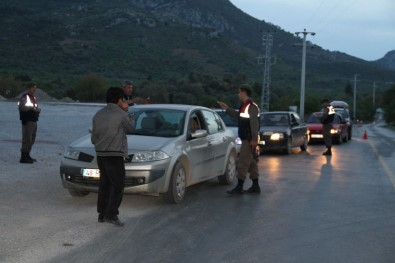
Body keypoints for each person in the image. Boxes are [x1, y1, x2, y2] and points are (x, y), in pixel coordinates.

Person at [91, 87, 135, 226]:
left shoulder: (98, 114)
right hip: (114, 154)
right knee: (118, 184)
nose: (124, 102)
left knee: (105, 183)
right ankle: (111, 214)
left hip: (101, 154)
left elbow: (93, 139)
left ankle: (102, 214)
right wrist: (128, 112)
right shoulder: (121, 114)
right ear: (119, 100)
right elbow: (131, 127)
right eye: (123, 99)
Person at [218, 84, 260, 194]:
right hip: (247, 138)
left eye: (239, 92)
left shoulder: (251, 106)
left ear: (244, 92)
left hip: (249, 139)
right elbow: (238, 115)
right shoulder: (245, 106)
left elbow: (254, 124)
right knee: (251, 163)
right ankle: (256, 187)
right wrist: (226, 109)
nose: (238, 94)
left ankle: (239, 187)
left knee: (242, 163)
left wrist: (254, 139)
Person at [18, 82, 41, 164]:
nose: (34, 89)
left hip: (34, 120)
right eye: (32, 87)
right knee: (27, 139)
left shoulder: (33, 97)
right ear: (28, 88)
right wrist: (32, 108)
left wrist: (38, 110)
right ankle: (23, 157)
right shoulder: (25, 97)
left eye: (35, 87)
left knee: (32, 139)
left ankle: (27, 155)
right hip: (27, 121)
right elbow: (22, 107)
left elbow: (35, 107)